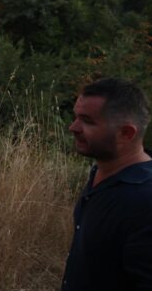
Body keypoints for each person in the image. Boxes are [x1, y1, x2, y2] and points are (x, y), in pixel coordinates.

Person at [61, 78, 152, 290]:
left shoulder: (145, 201)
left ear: (126, 133)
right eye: (76, 117)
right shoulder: (103, 174)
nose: (73, 127)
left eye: (87, 121)